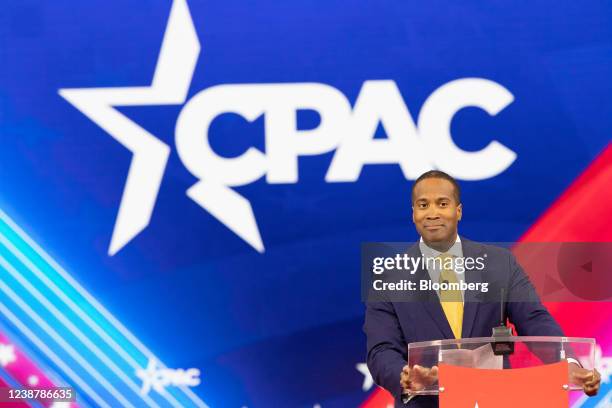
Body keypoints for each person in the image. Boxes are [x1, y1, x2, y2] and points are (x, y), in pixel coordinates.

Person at [364, 170, 601, 407]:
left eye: (442, 203)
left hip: (494, 399)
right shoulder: (388, 277)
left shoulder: (499, 263)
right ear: (413, 213)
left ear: (458, 211)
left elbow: (534, 319)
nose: (432, 213)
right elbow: (381, 350)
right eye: (423, 205)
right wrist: (407, 377)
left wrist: (568, 364)